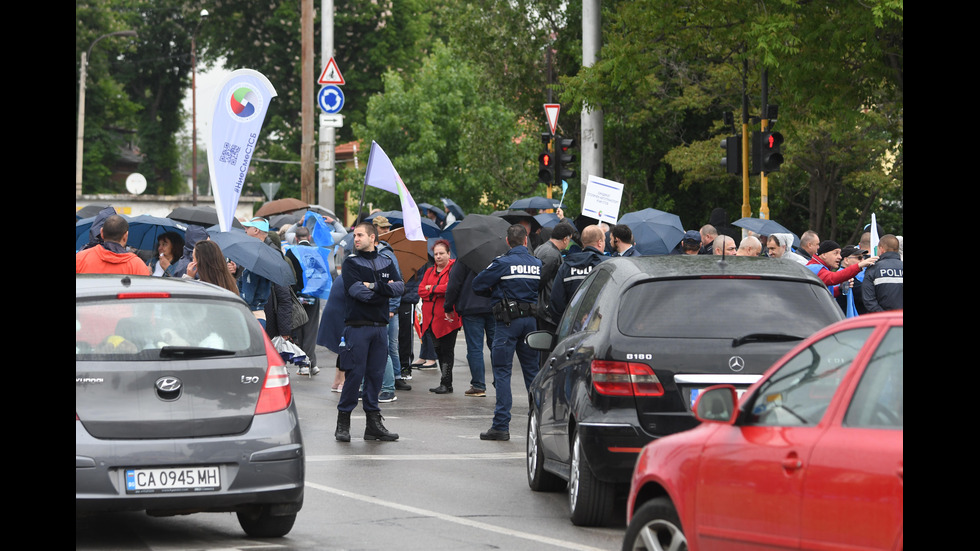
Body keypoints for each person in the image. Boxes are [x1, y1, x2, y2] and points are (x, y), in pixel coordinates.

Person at [334, 222, 404, 443]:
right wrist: (383, 292)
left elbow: (400, 287)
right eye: (355, 235)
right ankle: (343, 422)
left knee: (375, 376)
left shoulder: (386, 261)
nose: (356, 238)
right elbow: (356, 292)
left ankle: (373, 425)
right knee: (354, 376)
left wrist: (373, 286)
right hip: (357, 327)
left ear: (373, 237)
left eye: (360, 235)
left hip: (380, 328)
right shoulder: (351, 263)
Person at [472, 224, 542, 441]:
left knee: (502, 372)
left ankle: (501, 426)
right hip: (530, 322)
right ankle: (540, 423)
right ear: (525, 240)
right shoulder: (537, 263)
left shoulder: (502, 263)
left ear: (507, 241)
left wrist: (495, 290)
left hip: (507, 323)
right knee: (532, 373)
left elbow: (477, 285)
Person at [445, 259, 495, 397]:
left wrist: (448, 306)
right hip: (493, 306)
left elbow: (454, 284)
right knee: (496, 346)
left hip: (471, 306)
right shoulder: (496, 256)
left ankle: (478, 385)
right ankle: (500, 380)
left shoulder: (465, 258)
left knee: (475, 348)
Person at [418, 239, 463, 394]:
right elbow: (421, 290)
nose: (438, 256)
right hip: (431, 319)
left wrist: (432, 289)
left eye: (441, 253)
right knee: (438, 350)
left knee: (447, 351)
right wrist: (436, 291)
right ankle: (444, 382)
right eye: (435, 254)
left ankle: (446, 383)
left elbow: (451, 288)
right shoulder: (429, 271)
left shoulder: (454, 268)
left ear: (448, 254)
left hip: (447, 318)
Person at [285, 226, 323, 376]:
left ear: (296, 239)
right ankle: (312, 363)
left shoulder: (291, 252)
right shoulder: (317, 252)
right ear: (309, 237)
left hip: (296, 296)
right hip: (313, 295)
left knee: (299, 329)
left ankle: (303, 364)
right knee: (311, 330)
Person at [374, 216, 405, 399]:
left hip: (387, 308)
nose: (386, 230)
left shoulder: (386, 254)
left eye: (386, 228)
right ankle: (395, 377)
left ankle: (393, 380)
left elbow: (396, 282)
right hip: (387, 307)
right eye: (382, 228)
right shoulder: (385, 252)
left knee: (387, 346)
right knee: (388, 346)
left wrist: (392, 308)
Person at [550, 224, 607, 321]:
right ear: (600, 242)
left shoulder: (567, 266)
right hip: (602, 326)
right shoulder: (608, 265)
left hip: (571, 328)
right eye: (604, 240)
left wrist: (566, 325)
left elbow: (556, 301)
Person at [533, 222, 573, 340]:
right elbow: (539, 280)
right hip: (545, 310)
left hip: (540, 306)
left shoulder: (542, 247)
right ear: (565, 239)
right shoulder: (552, 255)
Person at [76, 215, 152, 276]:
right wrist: (147, 277)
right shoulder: (137, 266)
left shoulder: (80, 259)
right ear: (126, 236)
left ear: (101, 233)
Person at [806, 240, 878, 297]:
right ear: (824, 255)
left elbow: (827, 294)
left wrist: (840, 289)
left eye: (840, 254)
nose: (840, 257)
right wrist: (859, 266)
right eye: (836, 253)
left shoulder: (819, 267)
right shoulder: (815, 268)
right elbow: (833, 278)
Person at [238, 217, 275, 328]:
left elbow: (247, 297)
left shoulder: (255, 256)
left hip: (251, 316)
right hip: (259, 313)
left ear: (256, 231)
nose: (245, 231)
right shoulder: (267, 253)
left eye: (248, 228)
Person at [862, 234, 903, 312]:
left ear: (881, 249)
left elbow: (869, 301)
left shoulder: (873, 269)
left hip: (883, 321)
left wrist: (886, 317)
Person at [835, 245, 868, 317]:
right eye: (859, 258)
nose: (863, 261)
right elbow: (867, 294)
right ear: (846, 260)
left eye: (863, 258)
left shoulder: (841, 275)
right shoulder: (845, 278)